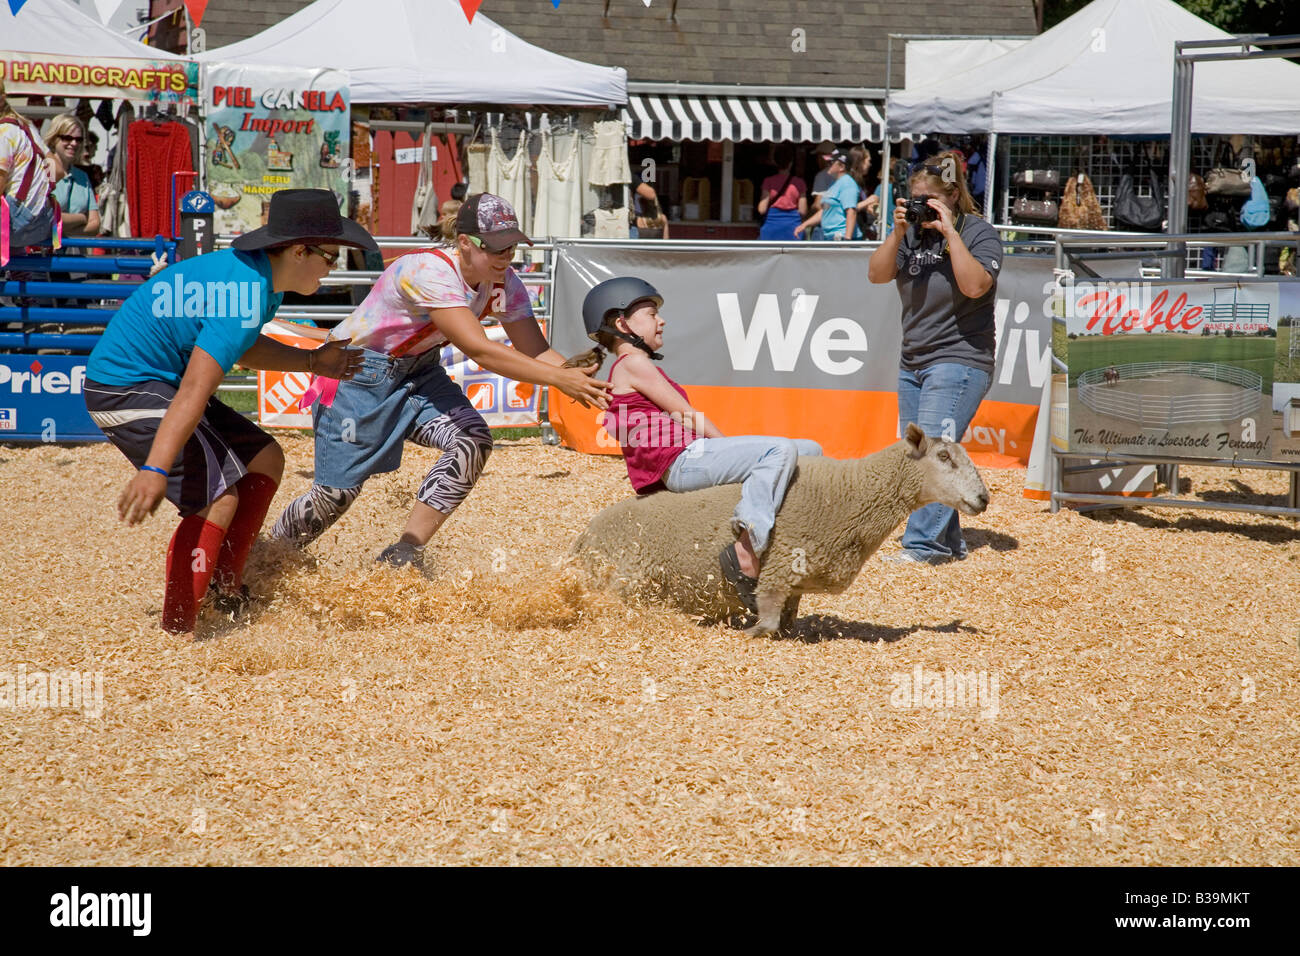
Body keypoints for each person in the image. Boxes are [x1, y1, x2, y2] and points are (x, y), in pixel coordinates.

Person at [83, 189, 377, 635]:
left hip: (158, 382)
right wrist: (155, 468)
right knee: (217, 496)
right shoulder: (244, 292)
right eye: (330, 256)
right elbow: (194, 391)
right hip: (124, 387)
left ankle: (224, 588)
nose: (333, 266)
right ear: (299, 250)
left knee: (266, 459)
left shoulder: (261, 282)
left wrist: (314, 361)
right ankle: (179, 630)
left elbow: (243, 345)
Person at [271, 193, 611, 568]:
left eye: (512, 247)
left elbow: (536, 351)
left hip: (419, 370)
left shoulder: (504, 282)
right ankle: (268, 555)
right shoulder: (429, 271)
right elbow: (480, 350)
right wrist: (560, 381)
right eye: (496, 248)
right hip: (355, 373)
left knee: (472, 440)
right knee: (335, 495)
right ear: (464, 243)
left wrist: (581, 380)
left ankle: (405, 552)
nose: (506, 257)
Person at [583, 277, 822, 612]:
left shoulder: (633, 365)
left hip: (687, 456)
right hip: (681, 461)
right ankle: (746, 552)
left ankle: (781, 543)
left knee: (810, 449)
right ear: (622, 324)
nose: (661, 320)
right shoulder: (634, 363)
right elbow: (686, 415)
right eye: (652, 314)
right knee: (778, 449)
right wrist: (728, 446)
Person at [866, 149, 1001, 565]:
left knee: (933, 453)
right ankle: (947, 543)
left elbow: (975, 286)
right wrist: (897, 230)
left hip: (959, 359)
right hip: (914, 362)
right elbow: (876, 274)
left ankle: (922, 546)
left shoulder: (977, 231)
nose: (923, 207)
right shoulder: (909, 235)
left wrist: (950, 234)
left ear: (954, 196)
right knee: (918, 453)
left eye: (931, 200)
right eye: (916, 199)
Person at [0, 78, 57, 258]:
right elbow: (56, 167)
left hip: (17, 221)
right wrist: (45, 186)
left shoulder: (4, 133)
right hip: (42, 221)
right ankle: (18, 269)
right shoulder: (25, 125)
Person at [44, 113, 99, 238]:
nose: (74, 143)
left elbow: (95, 224)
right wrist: (82, 218)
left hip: (75, 253)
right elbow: (46, 218)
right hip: (43, 254)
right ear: (54, 139)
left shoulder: (82, 177)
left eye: (78, 139)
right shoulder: (44, 171)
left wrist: (61, 232)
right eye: (67, 138)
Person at [794, 149, 857, 242]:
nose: (827, 165)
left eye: (831, 162)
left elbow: (851, 212)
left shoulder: (847, 183)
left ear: (841, 167)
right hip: (829, 237)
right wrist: (805, 224)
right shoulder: (834, 183)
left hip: (840, 238)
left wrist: (847, 241)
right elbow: (825, 211)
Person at [756, 144, 807, 241]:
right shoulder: (799, 183)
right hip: (793, 228)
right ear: (791, 162)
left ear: (775, 162)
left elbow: (762, 209)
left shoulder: (768, 182)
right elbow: (802, 211)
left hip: (771, 227)